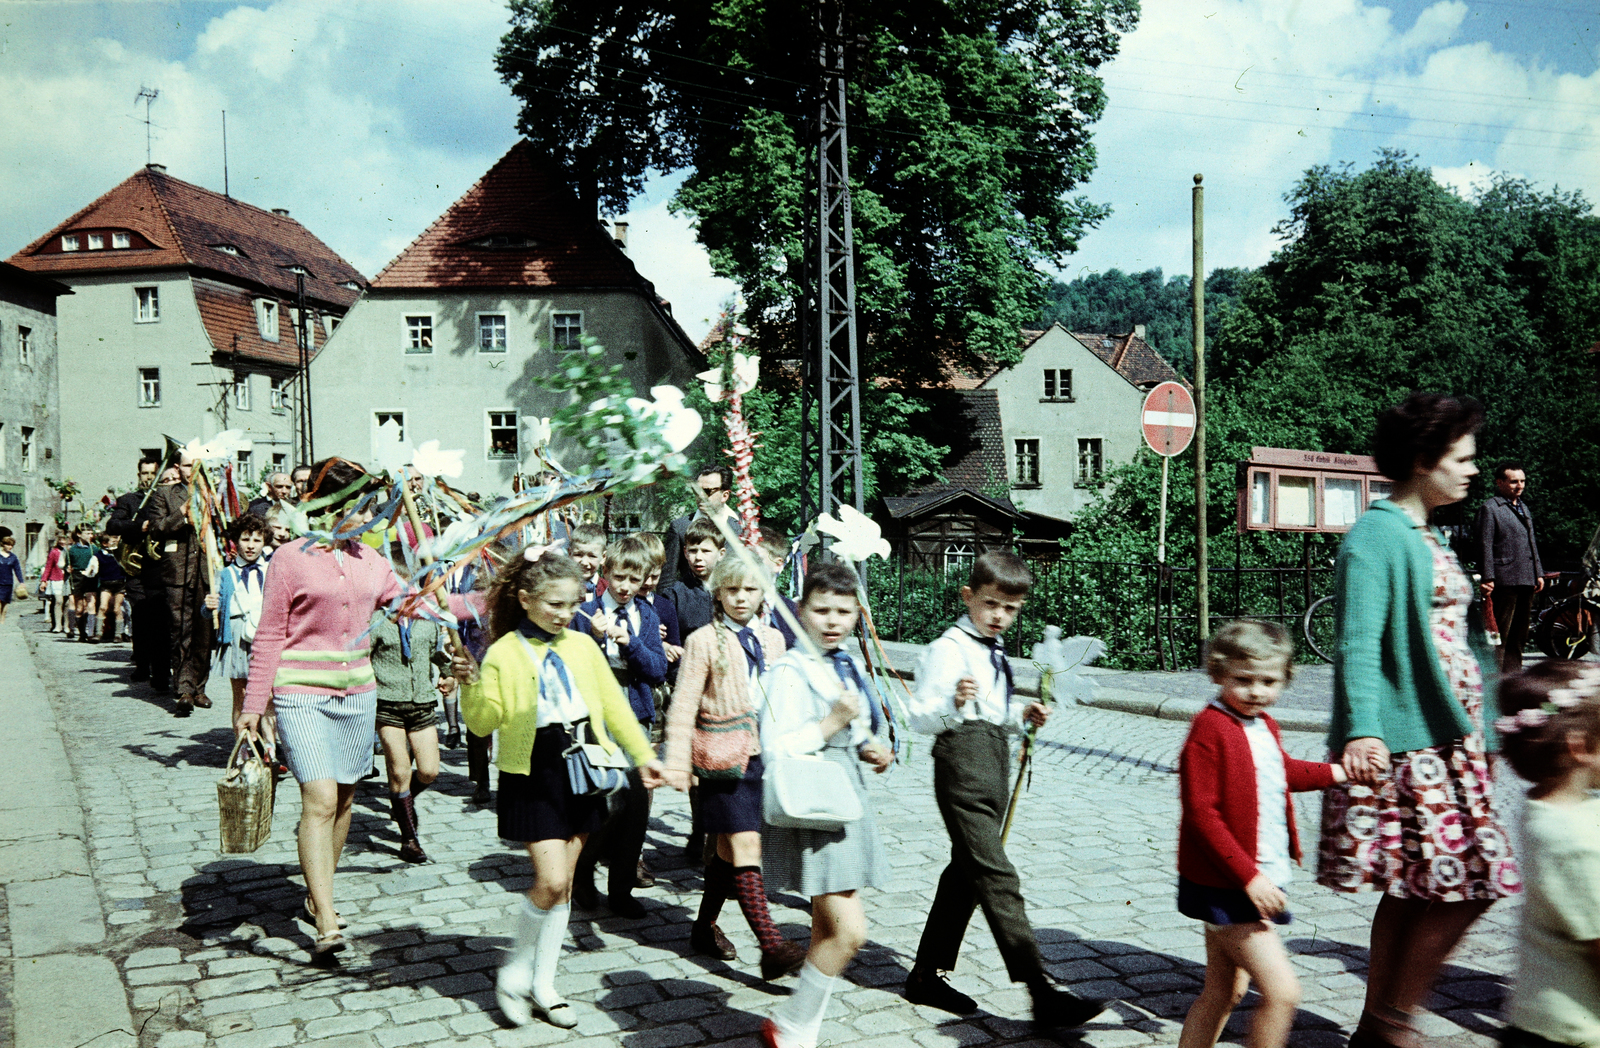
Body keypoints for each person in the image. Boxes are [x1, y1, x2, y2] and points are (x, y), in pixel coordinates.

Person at [1316, 392, 1520, 1048]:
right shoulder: (1377, 534)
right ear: (1423, 459)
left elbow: (1461, 643)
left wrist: (1486, 733)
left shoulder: (1424, 532)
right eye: (1461, 458)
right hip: (1412, 741)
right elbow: (1357, 642)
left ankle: (1378, 1028)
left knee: (1413, 888)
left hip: (1450, 740)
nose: (1471, 471)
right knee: (1473, 879)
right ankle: (1391, 1020)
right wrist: (1365, 729)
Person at [452, 549, 664, 1029]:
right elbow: (485, 722)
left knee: (565, 884)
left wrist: (647, 759)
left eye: (573, 604)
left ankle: (544, 984)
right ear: (525, 599)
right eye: (554, 604)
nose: (565, 614)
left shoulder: (583, 645)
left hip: (583, 767)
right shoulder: (504, 651)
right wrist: (469, 685)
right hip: (532, 772)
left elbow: (615, 709)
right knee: (548, 881)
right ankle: (512, 973)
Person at [903, 550, 1104, 1029]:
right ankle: (1041, 992)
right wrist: (952, 703)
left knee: (966, 874)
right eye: (991, 604)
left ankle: (925, 977)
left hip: (993, 768)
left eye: (1011, 610)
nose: (1000, 617)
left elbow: (993, 714)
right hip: (961, 774)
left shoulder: (993, 652)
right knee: (997, 876)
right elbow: (918, 717)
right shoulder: (947, 648)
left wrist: (1021, 718)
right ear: (968, 596)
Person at [236, 457, 413, 955]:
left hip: (357, 694)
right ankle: (327, 920)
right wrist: (254, 702)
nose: (370, 518)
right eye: (361, 508)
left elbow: (409, 606)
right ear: (330, 506)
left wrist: (482, 599)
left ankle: (319, 895)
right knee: (319, 799)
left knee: (346, 800)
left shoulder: (372, 561)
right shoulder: (289, 558)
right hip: (301, 694)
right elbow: (270, 631)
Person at [1176, 621, 1347, 1048]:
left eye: (1269, 681)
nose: (1257, 691)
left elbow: (1281, 770)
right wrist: (1250, 877)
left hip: (1240, 880)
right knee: (1283, 993)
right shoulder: (1209, 729)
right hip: (1229, 885)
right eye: (1243, 680)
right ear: (1218, 674)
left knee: (1224, 992)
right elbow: (1202, 814)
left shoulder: (1263, 724)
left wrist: (1339, 772)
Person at [758, 561, 893, 1048]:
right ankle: (790, 1025)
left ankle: (800, 1031)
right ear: (800, 612)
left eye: (844, 610)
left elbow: (856, 726)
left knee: (825, 928)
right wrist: (834, 723)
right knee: (849, 932)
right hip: (812, 805)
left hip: (846, 797)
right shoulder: (790, 671)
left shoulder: (843, 663)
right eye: (821, 610)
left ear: (857, 614)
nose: (833, 621)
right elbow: (775, 748)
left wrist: (869, 744)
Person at [664, 553, 807, 978]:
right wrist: (676, 760)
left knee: (729, 851)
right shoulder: (703, 640)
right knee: (746, 848)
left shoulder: (774, 639)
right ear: (718, 592)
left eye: (750, 589)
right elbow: (684, 701)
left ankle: (704, 927)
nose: (741, 598)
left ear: (764, 593)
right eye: (732, 590)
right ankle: (772, 946)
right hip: (721, 761)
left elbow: (784, 697)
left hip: (763, 757)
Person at [1497, 661, 1600, 1048]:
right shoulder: (1573, 842)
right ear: (1580, 747)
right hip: (1570, 1031)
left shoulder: (1544, 807)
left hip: (1536, 1015)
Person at [568, 535, 669, 918]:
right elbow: (573, 669)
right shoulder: (584, 612)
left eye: (635, 579)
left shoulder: (647, 615)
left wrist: (631, 644)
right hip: (597, 720)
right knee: (606, 802)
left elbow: (658, 670)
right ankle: (583, 873)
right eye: (620, 578)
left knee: (637, 806)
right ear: (605, 573)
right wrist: (595, 638)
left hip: (636, 718)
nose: (626, 587)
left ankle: (622, 888)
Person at [370, 561, 447, 865]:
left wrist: (448, 672)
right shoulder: (377, 622)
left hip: (422, 705)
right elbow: (361, 657)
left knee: (429, 771)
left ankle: (402, 800)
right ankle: (409, 838)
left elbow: (439, 654)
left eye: (410, 589)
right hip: (387, 705)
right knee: (399, 770)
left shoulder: (428, 622)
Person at [142, 453, 214, 715]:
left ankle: (199, 687)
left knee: (205, 632)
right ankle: (183, 688)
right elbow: (157, 529)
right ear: (177, 468)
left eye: (196, 466)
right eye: (186, 465)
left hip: (207, 573)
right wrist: (182, 513)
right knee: (180, 629)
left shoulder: (213, 492)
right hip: (178, 572)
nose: (191, 470)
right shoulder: (165, 494)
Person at [207, 515, 272, 747]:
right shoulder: (226, 574)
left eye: (257, 539)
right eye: (245, 539)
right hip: (237, 636)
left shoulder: (271, 568)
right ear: (236, 541)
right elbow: (212, 614)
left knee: (269, 696)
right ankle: (244, 747)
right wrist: (209, 607)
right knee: (242, 696)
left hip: (266, 635)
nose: (251, 545)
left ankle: (269, 748)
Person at [1477, 460, 1546, 672]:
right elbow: (1484, 544)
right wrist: (1488, 577)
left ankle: (1513, 678)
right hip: (1504, 579)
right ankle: (1495, 680)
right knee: (1501, 634)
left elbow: (1531, 542)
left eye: (1523, 481)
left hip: (1526, 577)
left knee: (1520, 634)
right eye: (1514, 481)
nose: (1520, 485)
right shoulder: (1490, 508)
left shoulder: (1523, 508)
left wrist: (1538, 573)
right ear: (1500, 483)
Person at [661, 467, 744, 588]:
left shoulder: (743, 526)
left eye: (707, 491)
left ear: (725, 495)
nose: (700, 496)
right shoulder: (680, 527)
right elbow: (667, 578)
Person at [665, 517, 724, 638]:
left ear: (721, 554)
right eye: (693, 551)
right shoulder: (674, 595)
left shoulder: (730, 590)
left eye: (705, 551)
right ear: (685, 553)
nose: (698, 557)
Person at [94, 533, 129, 642]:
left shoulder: (118, 553)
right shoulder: (99, 555)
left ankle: (118, 635)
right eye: (111, 540)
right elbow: (93, 568)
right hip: (106, 584)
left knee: (117, 609)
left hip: (119, 583)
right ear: (104, 543)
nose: (114, 542)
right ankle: (98, 633)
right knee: (103, 607)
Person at [567, 523, 606, 599]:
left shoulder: (609, 590)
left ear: (603, 557)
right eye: (578, 555)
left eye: (592, 556)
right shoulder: (560, 588)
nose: (584, 563)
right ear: (569, 553)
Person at [40, 530, 68, 633]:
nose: (62, 542)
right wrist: (44, 580)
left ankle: (66, 625)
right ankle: (57, 625)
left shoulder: (69, 551)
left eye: (64, 539)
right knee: (58, 601)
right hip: (56, 579)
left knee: (67, 603)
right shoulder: (54, 552)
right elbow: (48, 566)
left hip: (66, 579)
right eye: (60, 539)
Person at [0, 533, 27, 625]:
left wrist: (21, 582)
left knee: (5, 602)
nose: (10, 547)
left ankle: (2, 621)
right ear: (3, 544)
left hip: (8, 582)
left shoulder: (13, 557)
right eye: (8, 544)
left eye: (11, 545)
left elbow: (17, 570)